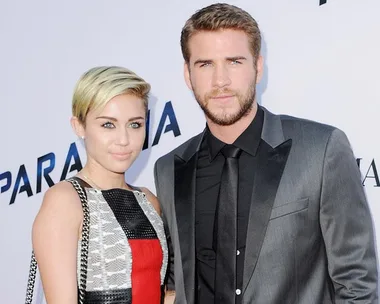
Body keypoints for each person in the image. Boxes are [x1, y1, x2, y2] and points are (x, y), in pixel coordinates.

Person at [153, 3, 378, 304]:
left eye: (234, 62)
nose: (220, 81)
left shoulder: (321, 149)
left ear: (258, 68)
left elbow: (357, 285)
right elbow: (175, 285)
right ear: (187, 74)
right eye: (205, 64)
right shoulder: (169, 168)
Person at [32, 66, 170, 303]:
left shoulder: (149, 201)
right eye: (108, 124)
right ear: (79, 126)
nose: (124, 139)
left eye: (135, 124)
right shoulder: (67, 200)